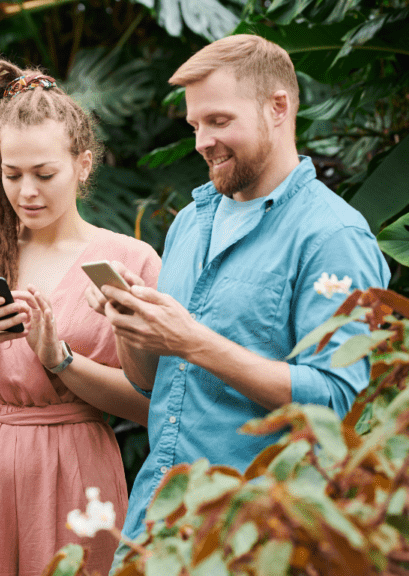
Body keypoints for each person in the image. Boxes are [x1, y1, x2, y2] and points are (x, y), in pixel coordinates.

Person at [84, 34, 392, 566]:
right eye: (196, 125)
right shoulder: (189, 223)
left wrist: (196, 342)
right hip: (157, 523)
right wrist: (130, 327)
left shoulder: (333, 236)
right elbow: (153, 384)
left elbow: (341, 405)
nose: (203, 140)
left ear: (279, 108)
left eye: (219, 121)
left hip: (259, 536)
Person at [0, 59, 161, 576]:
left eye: (44, 174)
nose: (26, 192)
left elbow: (149, 405)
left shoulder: (129, 262)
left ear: (83, 164)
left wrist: (61, 361)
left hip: (76, 468)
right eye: (11, 174)